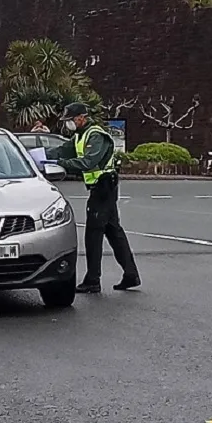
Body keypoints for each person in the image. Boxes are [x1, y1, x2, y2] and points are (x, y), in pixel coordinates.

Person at [45, 102, 140, 293]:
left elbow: (88, 162)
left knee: (93, 234)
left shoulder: (96, 136)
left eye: (70, 120)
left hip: (103, 187)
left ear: (81, 117)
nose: (68, 124)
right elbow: (63, 150)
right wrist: (37, 155)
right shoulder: (80, 135)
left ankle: (93, 280)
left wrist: (60, 163)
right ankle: (131, 275)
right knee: (113, 231)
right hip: (101, 188)